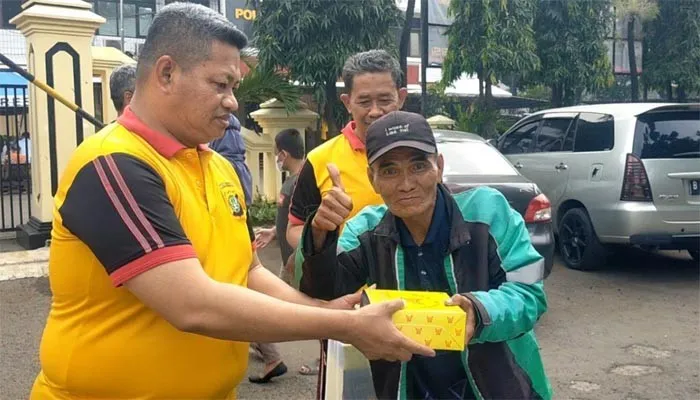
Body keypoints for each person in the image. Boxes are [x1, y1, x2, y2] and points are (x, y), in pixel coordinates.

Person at [29, 4, 434, 400]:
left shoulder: (218, 168)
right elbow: (192, 304)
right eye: (220, 85)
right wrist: (341, 326)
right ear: (167, 73)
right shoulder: (113, 164)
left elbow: (248, 271)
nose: (232, 102)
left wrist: (328, 310)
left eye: (234, 88)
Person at [297, 111, 553, 400]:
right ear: (373, 178)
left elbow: (530, 294)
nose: (406, 184)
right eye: (390, 170)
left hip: (500, 387)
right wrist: (321, 234)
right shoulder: (368, 229)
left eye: (418, 166)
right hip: (409, 386)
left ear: (439, 167)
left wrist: (479, 311)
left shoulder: (489, 212)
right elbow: (322, 292)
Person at [251, 128, 320, 378]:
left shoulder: (304, 181)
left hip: (296, 261)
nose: (276, 159)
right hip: (287, 259)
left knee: (309, 309)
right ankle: (264, 348)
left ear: (283, 153)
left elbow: (312, 224)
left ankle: (316, 358)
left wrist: (296, 255)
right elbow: (292, 220)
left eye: (275, 154)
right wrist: (273, 231)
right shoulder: (292, 180)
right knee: (268, 307)